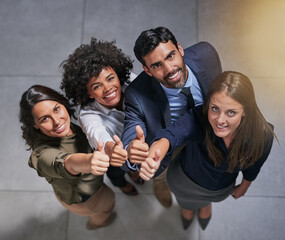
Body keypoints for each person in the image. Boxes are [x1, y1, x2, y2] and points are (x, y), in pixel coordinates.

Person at [138, 71, 275, 230]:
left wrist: (245, 185)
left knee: (205, 202)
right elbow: (174, 133)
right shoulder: (199, 117)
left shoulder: (263, 135)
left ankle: (205, 205)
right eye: (215, 108)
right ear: (208, 103)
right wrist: (157, 150)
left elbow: (254, 164)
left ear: (245, 110)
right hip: (184, 181)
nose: (220, 120)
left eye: (231, 112)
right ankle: (187, 207)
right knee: (186, 202)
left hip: (220, 188)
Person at [121, 26, 222, 207]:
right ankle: (161, 186)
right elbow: (132, 127)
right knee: (161, 175)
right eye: (157, 65)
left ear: (180, 49)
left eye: (170, 56)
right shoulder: (136, 94)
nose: (170, 69)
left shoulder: (206, 54)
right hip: (166, 146)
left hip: (207, 129)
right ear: (147, 70)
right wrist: (131, 149)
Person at [19, 85, 116, 230]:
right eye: (45, 119)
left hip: (80, 188)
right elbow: (65, 162)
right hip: (87, 199)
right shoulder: (41, 154)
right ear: (35, 124)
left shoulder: (67, 127)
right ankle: (97, 223)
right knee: (107, 205)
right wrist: (89, 161)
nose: (57, 121)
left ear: (62, 103)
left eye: (56, 109)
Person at [60, 38, 143, 196]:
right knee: (116, 172)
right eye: (97, 86)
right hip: (114, 156)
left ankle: (134, 171)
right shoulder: (87, 114)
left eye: (110, 79)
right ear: (89, 93)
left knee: (134, 164)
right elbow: (96, 133)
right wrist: (111, 149)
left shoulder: (132, 81)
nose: (108, 89)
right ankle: (122, 184)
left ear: (118, 76)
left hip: (137, 144)